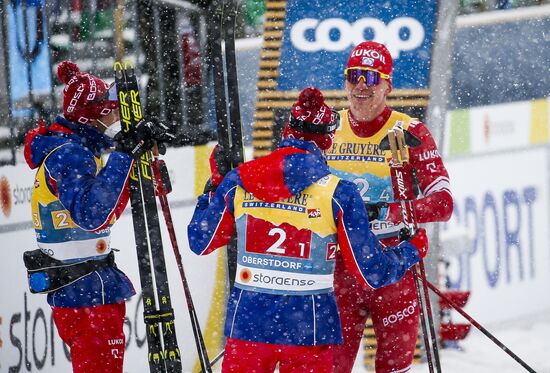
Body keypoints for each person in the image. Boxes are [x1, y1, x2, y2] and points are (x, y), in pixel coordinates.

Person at [187, 87, 430, 373]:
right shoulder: (340, 194)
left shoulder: (239, 180)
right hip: (310, 330)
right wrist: (411, 250)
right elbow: (371, 272)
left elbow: (200, 242)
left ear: (286, 131)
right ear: (327, 141)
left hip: (249, 325)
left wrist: (214, 188)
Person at [23, 61, 171, 373]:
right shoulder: (69, 154)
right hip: (86, 294)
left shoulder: (76, 148)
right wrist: (124, 155)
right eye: (112, 111)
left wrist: (139, 160)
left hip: (89, 288)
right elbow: (92, 214)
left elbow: (109, 205)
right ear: (96, 115)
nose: (117, 116)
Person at [326, 41, 453, 373]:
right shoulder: (329, 129)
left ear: (387, 85)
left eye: (371, 77)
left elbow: (443, 203)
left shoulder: (409, 131)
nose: (361, 86)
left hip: (394, 267)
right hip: (340, 268)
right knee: (331, 367)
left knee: (394, 368)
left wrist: (396, 212)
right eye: (353, 76)